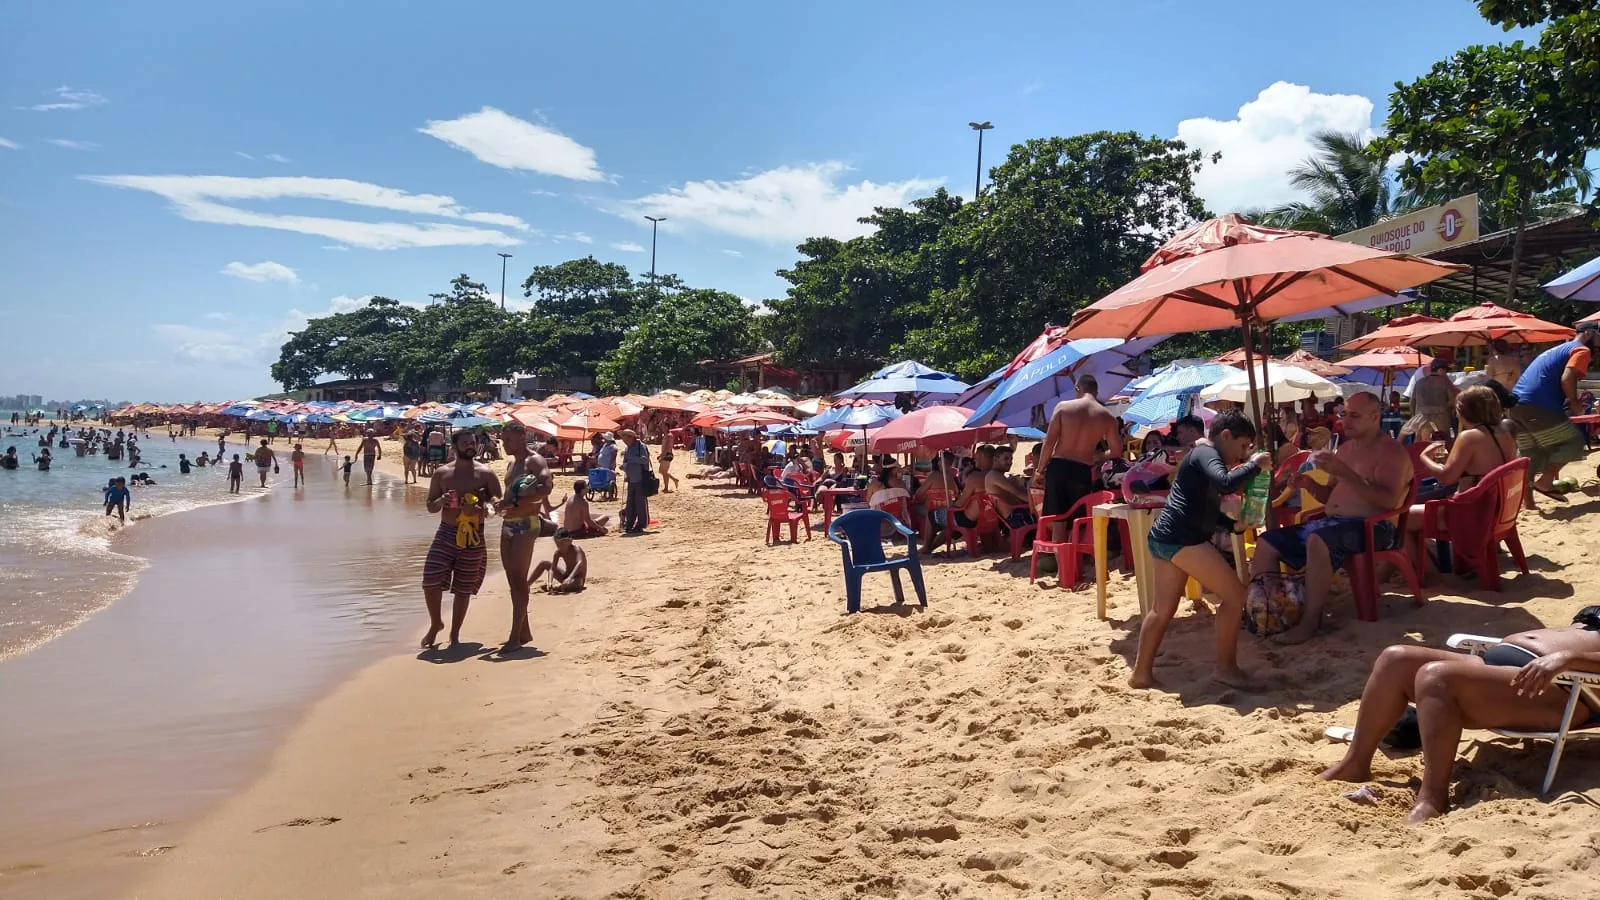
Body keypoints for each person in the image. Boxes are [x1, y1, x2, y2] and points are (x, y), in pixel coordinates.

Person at [1321, 609, 1600, 824]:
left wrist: (1567, 657)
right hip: (1507, 665)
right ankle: (1355, 763)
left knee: (1437, 677)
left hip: (1562, 689)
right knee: (1395, 659)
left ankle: (1433, 796)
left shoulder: (1569, 664)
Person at [1250, 392, 1413, 645]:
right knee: (1266, 543)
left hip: (1374, 528)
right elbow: (1331, 497)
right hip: (1333, 523)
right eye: (1344, 414)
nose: (1346, 421)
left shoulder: (1391, 452)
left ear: (1374, 417)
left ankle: (1310, 621)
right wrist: (1310, 485)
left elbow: (1389, 502)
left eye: (1354, 416)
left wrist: (1346, 473)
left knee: (1318, 539)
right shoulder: (1347, 449)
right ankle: (1275, 611)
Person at [1131, 409, 1272, 690]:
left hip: (1166, 535)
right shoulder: (1207, 453)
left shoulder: (1202, 457)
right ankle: (1226, 668)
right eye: (1242, 446)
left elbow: (1203, 506)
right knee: (1235, 597)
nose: (1243, 454)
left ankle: (1141, 674)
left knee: (1161, 610)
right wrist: (1256, 465)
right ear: (1225, 436)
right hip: (1182, 538)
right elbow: (1225, 482)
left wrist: (1232, 527)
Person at [421, 428, 502, 648]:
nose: (470, 446)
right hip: (446, 532)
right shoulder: (442, 474)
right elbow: (430, 506)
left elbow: (497, 505)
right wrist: (441, 502)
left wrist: (480, 508)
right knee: (430, 580)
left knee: (463, 588)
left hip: (474, 536)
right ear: (454, 447)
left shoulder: (485, 473)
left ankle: (455, 634)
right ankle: (436, 623)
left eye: (473, 442)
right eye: (465, 443)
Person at [1510, 320, 1600, 502]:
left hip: (1516, 406)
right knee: (1574, 443)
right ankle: (1545, 481)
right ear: (1589, 333)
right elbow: (1568, 377)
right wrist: (1575, 404)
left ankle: (1528, 502)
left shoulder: (1558, 349)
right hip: (1539, 404)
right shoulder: (1582, 350)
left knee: (1531, 454)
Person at [1033, 375, 1121, 541]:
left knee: (1058, 521)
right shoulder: (1107, 417)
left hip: (1059, 468)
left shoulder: (1063, 408)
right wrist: (1098, 456)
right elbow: (1116, 451)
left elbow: (1049, 443)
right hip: (1082, 471)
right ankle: (1076, 559)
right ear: (1096, 391)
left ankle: (1062, 565)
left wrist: (1039, 471)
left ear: (1077, 389)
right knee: (1078, 520)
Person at [497, 422, 556, 651]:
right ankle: (524, 631)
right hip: (508, 524)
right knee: (512, 579)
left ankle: (514, 637)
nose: (504, 444)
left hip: (526, 524)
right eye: (503, 440)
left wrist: (517, 502)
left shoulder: (534, 460)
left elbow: (546, 487)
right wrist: (502, 504)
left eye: (508, 440)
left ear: (522, 437)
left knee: (519, 580)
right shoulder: (512, 464)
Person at [1404, 358, 1459, 443]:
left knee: (1420, 445)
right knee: (1441, 444)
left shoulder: (1419, 382)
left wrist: (1414, 416)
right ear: (1440, 369)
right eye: (1445, 371)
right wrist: (1448, 409)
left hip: (1420, 416)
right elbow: (1452, 400)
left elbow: (1412, 402)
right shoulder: (1445, 382)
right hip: (1441, 417)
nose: (1446, 374)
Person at [984, 445, 1036, 529]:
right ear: (995, 459)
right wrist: (1035, 503)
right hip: (1015, 518)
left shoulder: (996, 475)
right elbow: (1017, 493)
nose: (1010, 462)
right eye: (1006, 459)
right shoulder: (994, 475)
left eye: (1011, 459)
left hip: (1010, 517)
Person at [532, 529, 588, 593]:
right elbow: (552, 569)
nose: (560, 547)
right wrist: (550, 582)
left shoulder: (576, 549)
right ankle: (527, 585)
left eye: (562, 544)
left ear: (570, 541)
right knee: (543, 563)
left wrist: (570, 577)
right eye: (557, 545)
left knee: (577, 583)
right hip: (565, 577)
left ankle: (558, 587)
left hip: (577, 579)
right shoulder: (558, 552)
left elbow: (579, 564)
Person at [618, 429, 651, 534]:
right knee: (630, 503)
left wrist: (631, 460)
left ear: (630, 437)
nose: (623, 440)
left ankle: (641, 524)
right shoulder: (628, 448)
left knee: (640, 503)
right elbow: (626, 461)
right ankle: (629, 524)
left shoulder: (641, 446)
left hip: (640, 479)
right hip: (631, 479)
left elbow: (644, 460)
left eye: (625, 437)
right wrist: (624, 467)